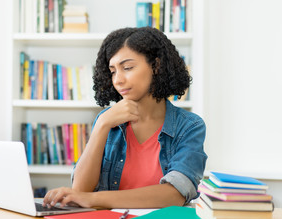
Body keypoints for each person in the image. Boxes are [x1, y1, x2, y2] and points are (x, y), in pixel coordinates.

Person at [42, 27, 207, 209]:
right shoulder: (107, 120)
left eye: (127, 68)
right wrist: (102, 125)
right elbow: (80, 189)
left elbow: (175, 194)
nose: (117, 80)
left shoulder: (189, 126)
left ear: (156, 66)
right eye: (113, 71)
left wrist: (93, 199)